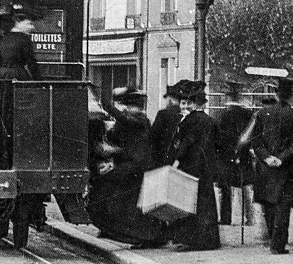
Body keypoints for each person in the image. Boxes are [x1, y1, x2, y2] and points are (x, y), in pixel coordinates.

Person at [88, 87, 168, 249]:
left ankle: (143, 236)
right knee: (125, 203)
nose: (124, 108)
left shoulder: (139, 119)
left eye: (126, 105)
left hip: (135, 168)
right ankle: (140, 235)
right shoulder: (132, 121)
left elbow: (125, 123)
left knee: (110, 198)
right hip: (130, 166)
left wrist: (104, 102)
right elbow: (126, 143)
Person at [0, 3, 40, 169]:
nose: (32, 27)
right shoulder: (24, 40)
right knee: (16, 119)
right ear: (20, 22)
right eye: (29, 23)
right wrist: (40, 83)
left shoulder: (3, 39)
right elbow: (32, 64)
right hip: (16, 79)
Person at [249, 76, 293, 254]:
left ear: (275, 93)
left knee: (269, 203)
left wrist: (267, 157)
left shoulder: (262, 114)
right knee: (283, 205)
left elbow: (256, 142)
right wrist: (282, 158)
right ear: (292, 95)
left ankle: (273, 238)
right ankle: (278, 244)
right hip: (287, 167)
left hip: (265, 168)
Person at [165, 83, 221, 251]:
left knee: (188, 201)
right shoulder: (211, 121)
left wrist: (176, 161)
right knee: (206, 202)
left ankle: (190, 239)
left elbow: (185, 143)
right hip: (205, 167)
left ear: (193, 104)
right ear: (203, 104)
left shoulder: (188, 121)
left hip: (190, 165)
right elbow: (217, 144)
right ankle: (208, 240)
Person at [211, 77, 257, 225]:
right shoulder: (247, 114)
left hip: (225, 156)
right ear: (239, 97)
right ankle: (249, 218)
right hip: (243, 154)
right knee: (244, 187)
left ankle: (225, 218)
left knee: (225, 188)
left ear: (228, 97)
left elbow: (218, 138)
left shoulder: (221, 115)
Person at [149, 80, 191, 165]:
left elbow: (154, 135)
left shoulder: (163, 114)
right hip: (179, 158)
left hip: (161, 157)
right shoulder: (187, 115)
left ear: (170, 99)